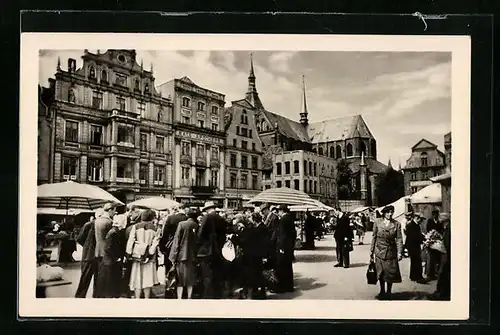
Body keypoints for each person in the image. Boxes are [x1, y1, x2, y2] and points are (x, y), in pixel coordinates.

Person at [370, 205, 404, 300]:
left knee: (390, 273)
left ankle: (389, 291)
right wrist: (371, 251)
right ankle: (382, 291)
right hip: (379, 251)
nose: (390, 214)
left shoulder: (396, 224)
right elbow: (374, 237)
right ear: (384, 213)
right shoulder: (377, 222)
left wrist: (400, 252)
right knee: (380, 273)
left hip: (390, 252)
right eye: (388, 212)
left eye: (391, 212)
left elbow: (399, 239)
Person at [126, 209, 161, 299]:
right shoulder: (155, 228)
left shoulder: (135, 226)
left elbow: (131, 241)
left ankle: (137, 299)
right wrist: (149, 254)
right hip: (149, 257)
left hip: (137, 255)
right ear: (152, 218)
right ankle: (146, 299)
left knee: (137, 278)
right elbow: (155, 243)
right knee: (147, 279)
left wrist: (129, 253)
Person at [196, 201, 227, 299]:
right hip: (218, 249)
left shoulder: (207, 217)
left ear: (207, 210)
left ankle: (208, 295)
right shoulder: (221, 219)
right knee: (217, 273)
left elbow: (200, 234)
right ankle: (218, 294)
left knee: (207, 274)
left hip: (207, 250)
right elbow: (224, 234)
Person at [169, 207, 200, 300]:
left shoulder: (181, 224)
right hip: (193, 256)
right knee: (190, 279)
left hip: (181, 256)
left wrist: (173, 257)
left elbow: (176, 241)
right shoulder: (197, 226)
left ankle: (179, 298)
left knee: (180, 279)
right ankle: (189, 297)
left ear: (187, 215)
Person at [236, 212, 268, 299]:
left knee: (250, 275)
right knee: (258, 273)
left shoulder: (251, 230)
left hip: (250, 255)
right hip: (258, 255)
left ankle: (250, 295)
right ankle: (259, 292)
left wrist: (233, 237)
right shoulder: (258, 228)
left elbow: (243, 242)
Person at [99, 214, 128, 298]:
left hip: (111, 261)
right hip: (111, 262)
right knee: (110, 284)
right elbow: (108, 248)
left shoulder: (114, 231)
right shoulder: (113, 233)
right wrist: (117, 258)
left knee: (111, 284)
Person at [74, 210, 102, 298]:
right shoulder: (89, 225)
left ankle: (80, 296)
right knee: (93, 278)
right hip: (94, 255)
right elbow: (80, 239)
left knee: (85, 278)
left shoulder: (88, 224)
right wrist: (87, 245)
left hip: (88, 255)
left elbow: (80, 239)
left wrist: (86, 246)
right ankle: (93, 296)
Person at [93, 202, 117, 298]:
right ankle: (105, 295)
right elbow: (110, 239)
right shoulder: (109, 222)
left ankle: (97, 294)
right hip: (106, 252)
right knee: (107, 276)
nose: (114, 213)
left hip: (98, 250)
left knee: (99, 275)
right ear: (110, 210)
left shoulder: (97, 221)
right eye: (114, 211)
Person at [274, 204, 296, 293]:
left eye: (279, 211)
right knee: (288, 267)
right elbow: (292, 234)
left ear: (282, 211)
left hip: (283, 246)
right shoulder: (290, 219)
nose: (278, 213)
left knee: (281, 267)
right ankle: (289, 286)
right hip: (289, 246)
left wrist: (281, 247)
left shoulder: (283, 220)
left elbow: (282, 235)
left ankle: (282, 287)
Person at [404, 210, 426, 283]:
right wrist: (422, 240)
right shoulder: (412, 225)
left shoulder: (414, 225)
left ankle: (413, 276)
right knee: (417, 261)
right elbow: (414, 237)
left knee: (414, 261)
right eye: (421, 219)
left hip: (413, 246)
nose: (421, 221)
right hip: (413, 247)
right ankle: (418, 277)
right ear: (417, 218)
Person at [425, 209, 444, 280]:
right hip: (431, 241)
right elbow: (428, 230)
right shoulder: (430, 221)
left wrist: (438, 235)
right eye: (434, 214)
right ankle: (429, 274)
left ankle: (435, 273)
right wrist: (432, 235)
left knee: (436, 258)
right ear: (433, 215)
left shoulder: (439, 222)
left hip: (438, 242)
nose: (435, 216)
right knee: (430, 258)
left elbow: (441, 230)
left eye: (437, 214)